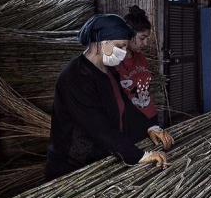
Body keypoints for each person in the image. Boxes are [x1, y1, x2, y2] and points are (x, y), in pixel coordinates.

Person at [45, 14, 173, 181]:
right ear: (102, 42)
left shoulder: (109, 69)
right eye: (120, 46)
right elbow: (98, 126)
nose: (124, 51)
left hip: (100, 158)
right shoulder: (76, 76)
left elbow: (125, 104)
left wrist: (150, 127)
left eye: (125, 47)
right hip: (73, 166)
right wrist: (138, 155)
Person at [115, 5, 174, 147]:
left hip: (150, 116)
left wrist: (153, 124)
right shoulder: (113, 63)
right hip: (130, 122)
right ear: (128, 34)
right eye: (142, 38)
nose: (145, 43)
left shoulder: (141, 58)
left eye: (147, 38)